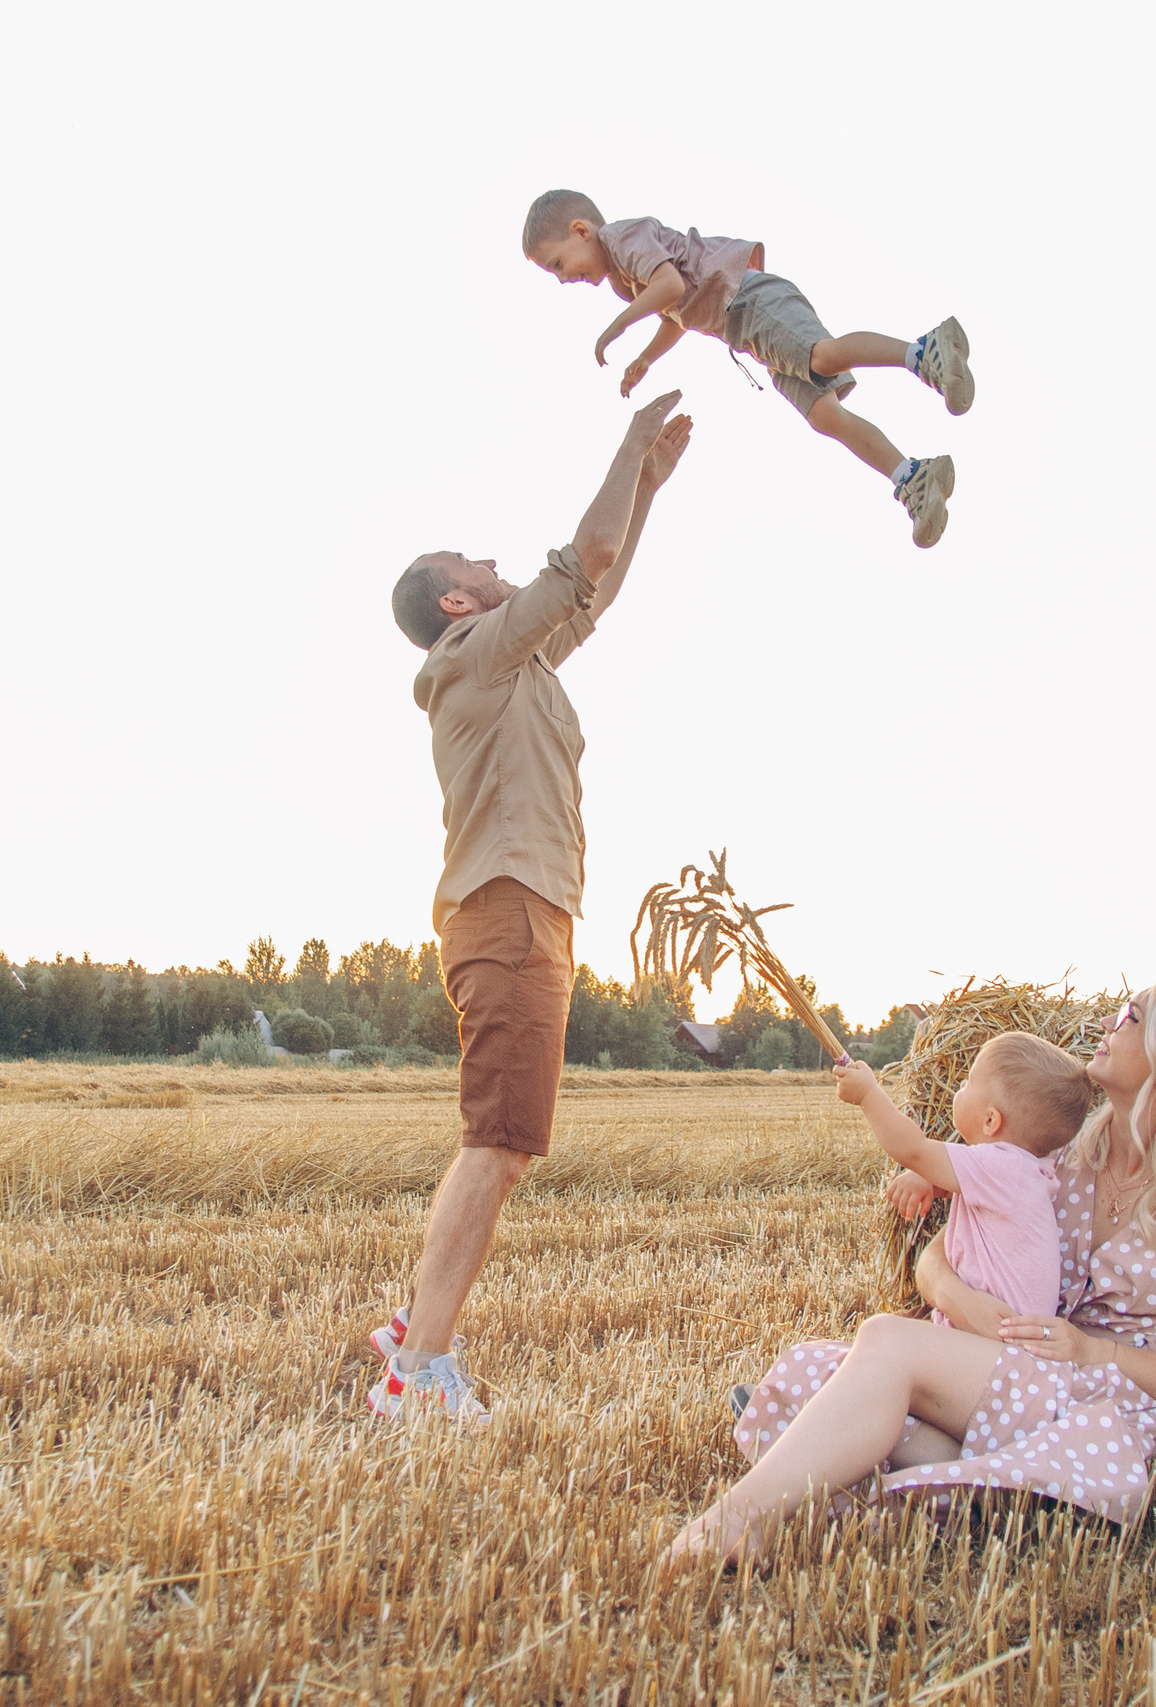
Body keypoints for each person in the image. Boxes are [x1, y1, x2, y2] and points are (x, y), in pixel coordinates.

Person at [669, 969, 1156, 1565]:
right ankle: (977, 1492)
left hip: (1114, 1417)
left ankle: (738, 1519)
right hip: (1020, 1382)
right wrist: (958, 1298)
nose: (1108, 1021)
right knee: (834, 1376)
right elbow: (937, 1255)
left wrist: (1091, 1351)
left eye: (1132, 1017)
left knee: (881, 1353)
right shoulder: (1059, 1158)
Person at [373, 390, 695, 1422]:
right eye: (473, 561)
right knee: (499, 1142)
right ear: (456, 602)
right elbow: (581, 558)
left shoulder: (515, 660)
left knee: (498, 1139)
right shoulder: (473, 655)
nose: (492, 559)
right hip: (509, 911)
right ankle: (417, 1371)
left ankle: (413, 1329)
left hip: (525, 913)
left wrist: (647, 489)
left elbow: (591, 592)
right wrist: (628, 445)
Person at [520, 189, 972, 550]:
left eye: (558, 264)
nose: (563, 278)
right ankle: (913, 477)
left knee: (821, 355)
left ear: (581, 230)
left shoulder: (621, 238)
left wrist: (618, 327)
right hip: (746, 332)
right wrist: (646, 357)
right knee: (824, 416)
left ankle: (924, 352)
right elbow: (676, 314)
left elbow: (671, 285)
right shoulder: (625, 281)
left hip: (751, 299)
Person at [832, 1033, 1090, 1324]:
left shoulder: (1002, 1165)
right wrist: (931, 1180)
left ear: (990, 1120)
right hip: (996, 1332)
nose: (959, 1087)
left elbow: (913, 1150)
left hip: (998, 1338)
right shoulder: (1024, 1169)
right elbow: (958, 1182)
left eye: (967, 1083)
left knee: (878, 1330)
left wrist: (868, 1095)